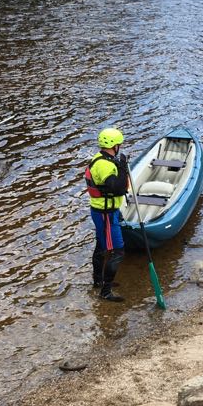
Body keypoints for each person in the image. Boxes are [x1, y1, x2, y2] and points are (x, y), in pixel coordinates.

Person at [85, 127, 129, 302]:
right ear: (115, 145)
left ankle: (98, 281)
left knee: (101, 247)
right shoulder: (104, 165)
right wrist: (123, 168)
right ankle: (105, 291)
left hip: (103, 211)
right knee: (117, 251)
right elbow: (118, 188)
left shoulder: (101, 158)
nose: (120, 147)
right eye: (119, 144)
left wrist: (119, 165)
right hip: (106, 214)